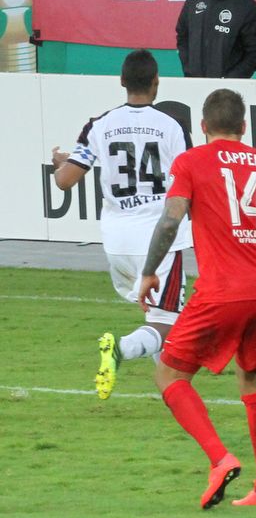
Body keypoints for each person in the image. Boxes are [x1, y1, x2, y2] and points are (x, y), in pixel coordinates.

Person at [137, 88, 256, 510]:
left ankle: (220, 459)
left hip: (223, 290)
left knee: (169, 375)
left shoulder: (191, 161)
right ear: (244, 127)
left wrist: (150, 271)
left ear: (203, 126)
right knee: (254, 381)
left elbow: (170, 220)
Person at [51, 49, 192, 398]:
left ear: (122, 82)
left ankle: (170, 390)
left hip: (116, 240)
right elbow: (190, 180)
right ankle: (120, 348)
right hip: (159, 238)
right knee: (168, 321)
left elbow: (65, 181)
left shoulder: (100, 124)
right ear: (156, 82)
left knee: (160, 317)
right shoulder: (171, 126)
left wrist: (59, 164)